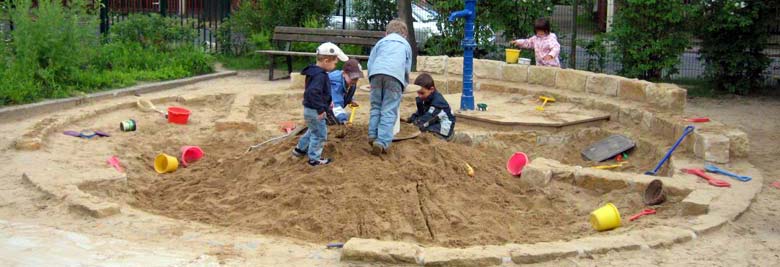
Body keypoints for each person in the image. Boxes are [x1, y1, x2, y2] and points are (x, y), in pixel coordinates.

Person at [291, 42, 348, 166]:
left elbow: (317, 92)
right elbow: (312, 92)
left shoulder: (314, 72)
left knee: (313, 130)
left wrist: (328, 101)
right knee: (321, 134)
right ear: (326, 60)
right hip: (315, 111)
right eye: (334, 63)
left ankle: (299, 150)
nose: (335, 65)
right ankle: (314, 159)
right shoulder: (320, 76)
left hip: (309, 109)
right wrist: (321, 108)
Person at [367, 19, 413, 155]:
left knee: (376, 106)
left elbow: (371, 62)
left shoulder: (380, 43)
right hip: (394, 77)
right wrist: (403, 84)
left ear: (386, 33)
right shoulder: (405, 44)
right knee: (388, 109)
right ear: (405, 35)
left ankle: (372, 134)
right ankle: (382, 142)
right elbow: (406, 68)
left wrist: (371, 79)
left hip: (376, 74)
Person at [407, 73, 455, 140]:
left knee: (424, 132)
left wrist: (415, 124)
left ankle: (449, 138)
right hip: (435, 121)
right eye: (418, 93)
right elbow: (419, 113)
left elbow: (428, 117)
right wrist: (410, 119)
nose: (419, 96)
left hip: (444, 127)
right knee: (421, 127)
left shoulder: (438, 101)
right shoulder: (425, 98)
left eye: (422, 93)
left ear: (431, 89)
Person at [327, 59, 364, 125]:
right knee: (340, 120)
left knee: (347, 116)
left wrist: (351, 100)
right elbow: (336, 104)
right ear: (344, 74)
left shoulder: (350, 83)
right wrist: (343, 120)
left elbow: (347, 91)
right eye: (353, 77)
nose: (355, 81)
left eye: (357, 78)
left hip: (333, 106)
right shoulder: (336, 84)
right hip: (322, 108)